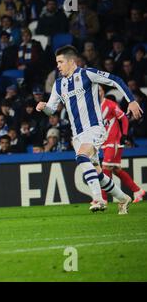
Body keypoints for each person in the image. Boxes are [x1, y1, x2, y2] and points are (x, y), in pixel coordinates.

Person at [36, 45, 143, 214]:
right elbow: (52, 109)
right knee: (98, 174)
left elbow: (116, 80)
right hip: (77, 134)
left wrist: (131, 100)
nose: (58, 65)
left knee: (81, 156)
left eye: (60, 62)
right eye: (57, 62)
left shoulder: (87, 74)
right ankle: (123, 198)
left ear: (71, 61)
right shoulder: (59, 84)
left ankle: (98, 199)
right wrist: (44, 107)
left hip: (94, 129)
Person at [99, 87, 145, 203]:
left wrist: (124, 135)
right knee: (116, 170)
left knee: (105, 168)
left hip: (114, 141)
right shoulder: (94, 107)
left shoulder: (110, 104)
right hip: (105, 142)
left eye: (99, 90)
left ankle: (102, 199)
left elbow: (123, 118)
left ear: (103, 92)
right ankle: (137, 190)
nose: (97, 92)